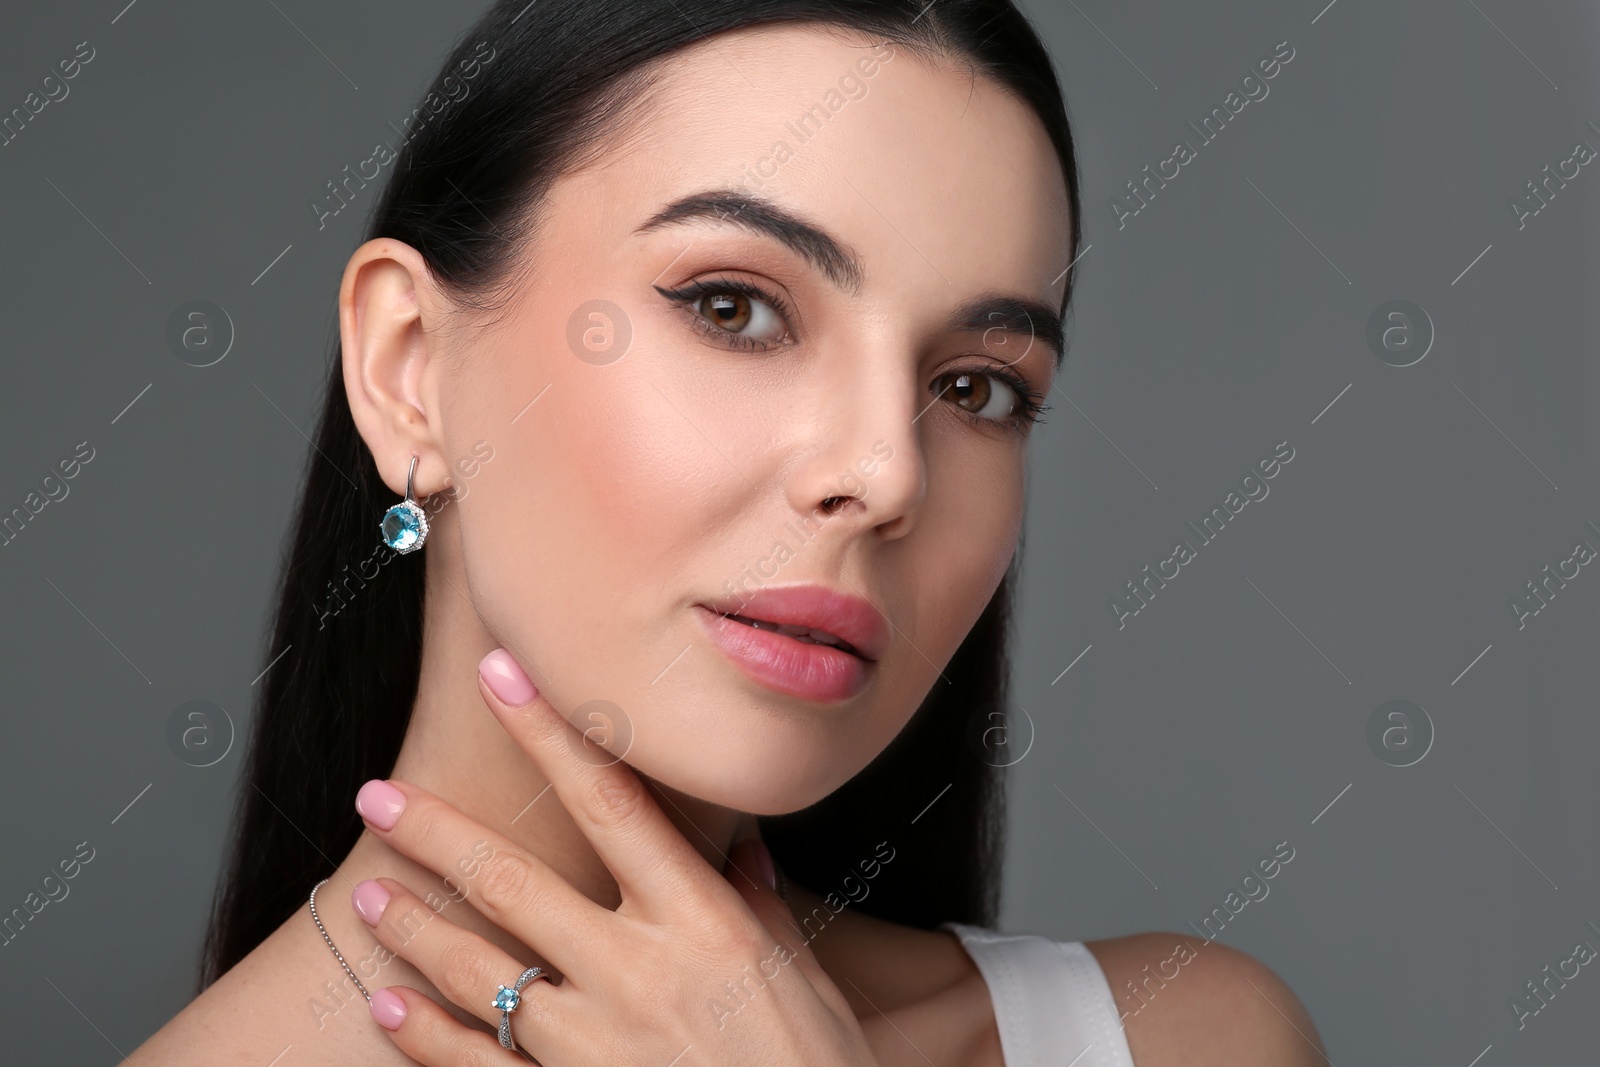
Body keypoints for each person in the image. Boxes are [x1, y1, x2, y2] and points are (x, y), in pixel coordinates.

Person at [130, 0, 1326, 1063]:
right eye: (734, 308)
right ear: (407, 370)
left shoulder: (1184, 1036)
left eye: (975, 388)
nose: (884, 469)